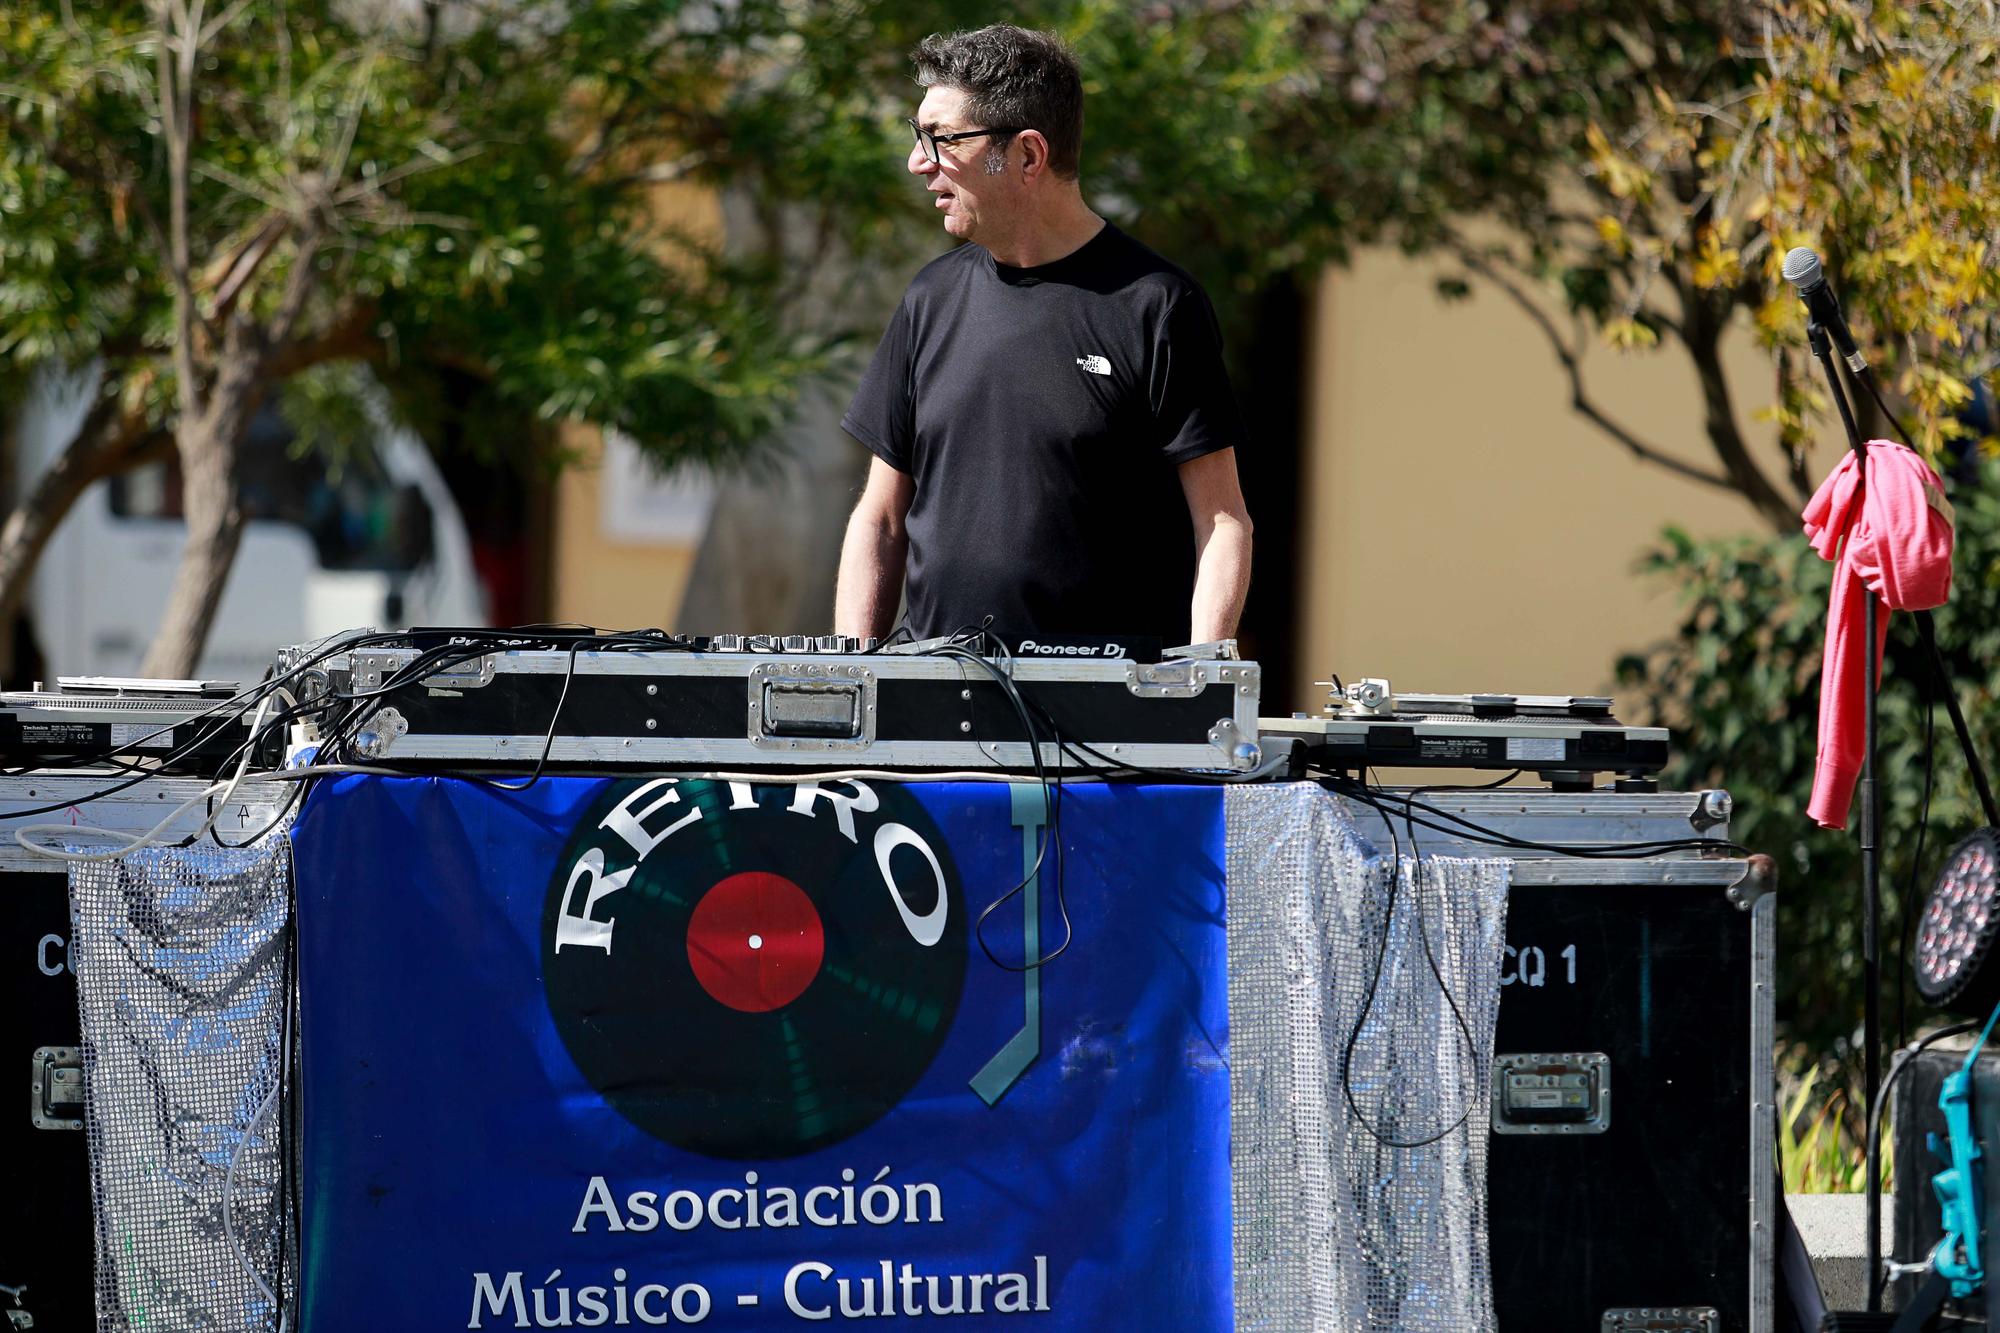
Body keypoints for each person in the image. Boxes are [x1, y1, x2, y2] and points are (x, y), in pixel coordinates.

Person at [832, 24, 1253, 651]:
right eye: (918, 137)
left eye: (941, 139)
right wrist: (853, 677)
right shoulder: (930, 297)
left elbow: (1222, 522)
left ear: (1029, 155)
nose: (919, 162)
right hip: (931, 706)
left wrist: (1196, 684)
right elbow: (882, 518)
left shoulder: (1157, 305)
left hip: (1103, 727)